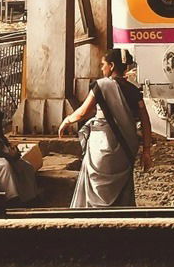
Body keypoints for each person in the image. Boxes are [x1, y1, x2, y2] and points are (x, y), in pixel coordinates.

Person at [58, 48, 153, 207]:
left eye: (103, 64)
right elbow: (145, 121)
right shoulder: (134, 91)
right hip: (126, 146)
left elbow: (83, 112)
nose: (102, 68)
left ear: (112, 65)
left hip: (102, 145)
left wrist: (67, 120)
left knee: (96, 185)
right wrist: (147, 150)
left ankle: (95, 214)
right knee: (122, 185)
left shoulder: (101, 86)